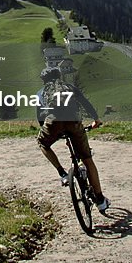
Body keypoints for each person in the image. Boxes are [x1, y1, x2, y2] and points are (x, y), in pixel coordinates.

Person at [36, 65, 110, 214]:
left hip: (53, 123)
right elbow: (85, 103)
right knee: (87, 159)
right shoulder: (69, 87)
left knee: (42, 143)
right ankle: (100, 200)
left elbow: (40, 116)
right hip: (74, 122)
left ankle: (62, 173)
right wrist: (96, 119)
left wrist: (49, 130)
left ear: (43, 80)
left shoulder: (41, 93)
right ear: (59, 75)